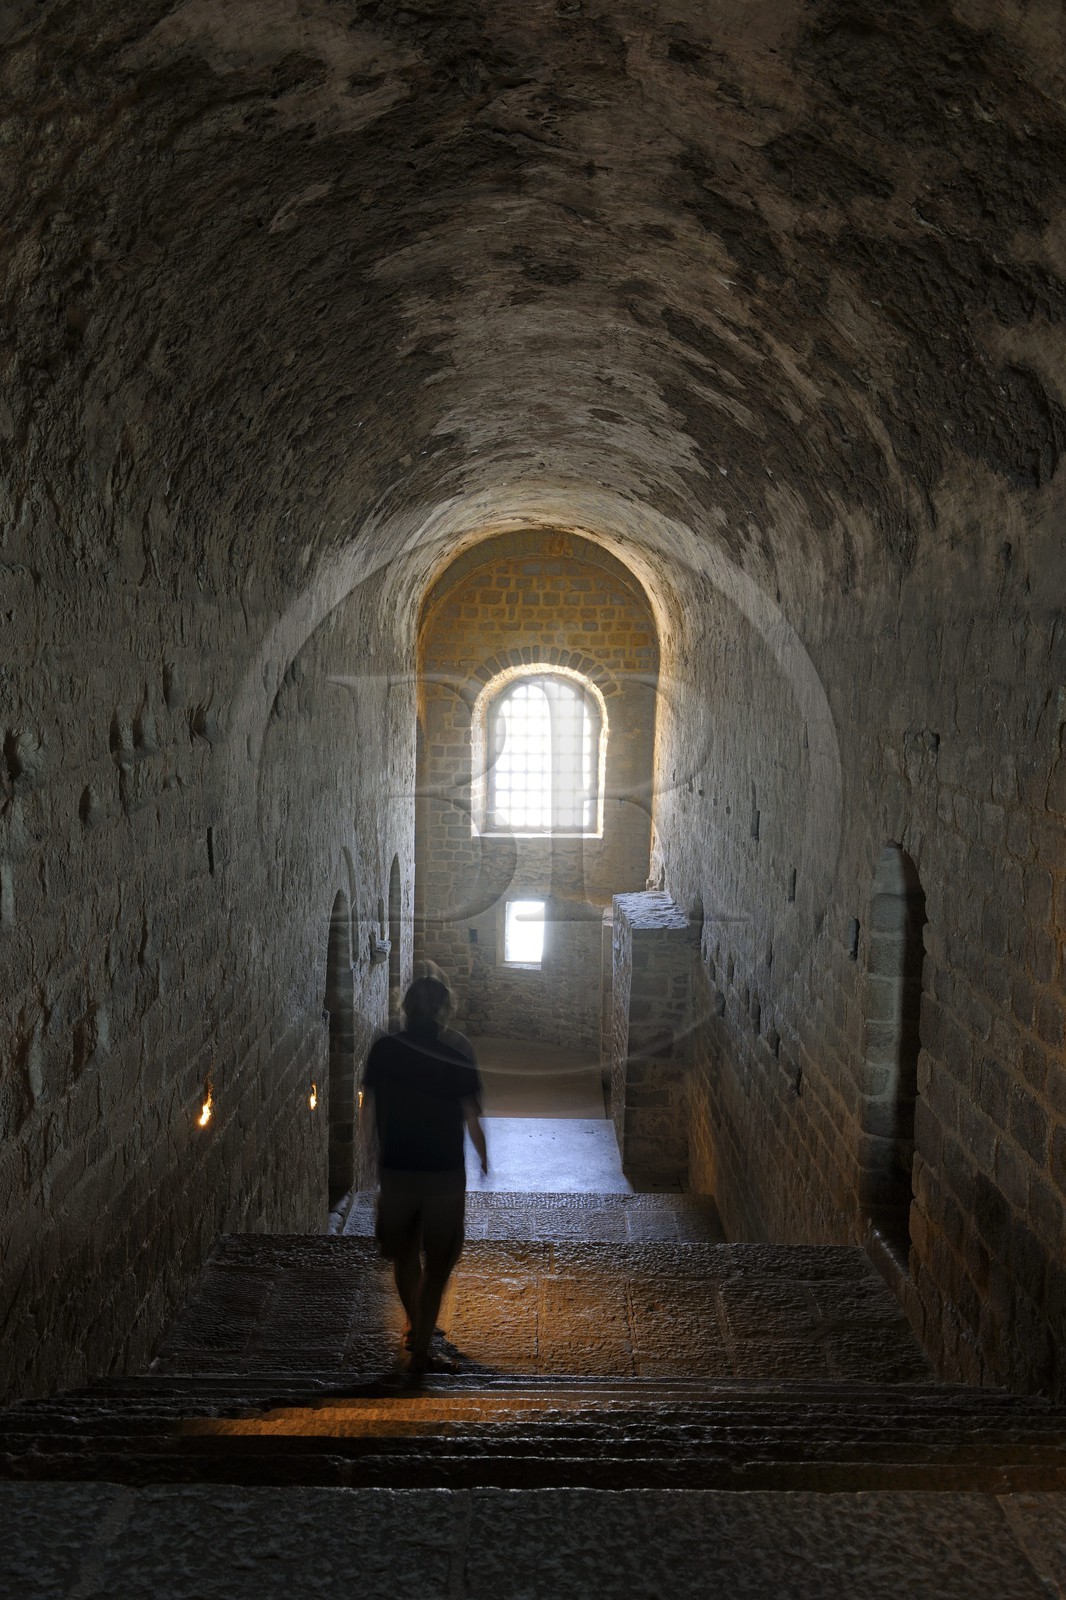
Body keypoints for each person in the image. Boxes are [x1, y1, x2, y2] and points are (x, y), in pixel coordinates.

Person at [361, 969, 488, 1376]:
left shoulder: (383, 1049)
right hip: (444, 1174)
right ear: (444, 1010)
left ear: (405, 1007)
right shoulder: (456, 1054)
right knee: (437, 1264)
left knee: (404, 1255)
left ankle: (416, 1325)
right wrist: (483, 1156)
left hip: (397, 1169)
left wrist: (368, 1153)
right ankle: (420, 1354)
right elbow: (471, 1116)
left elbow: (369, 1107)